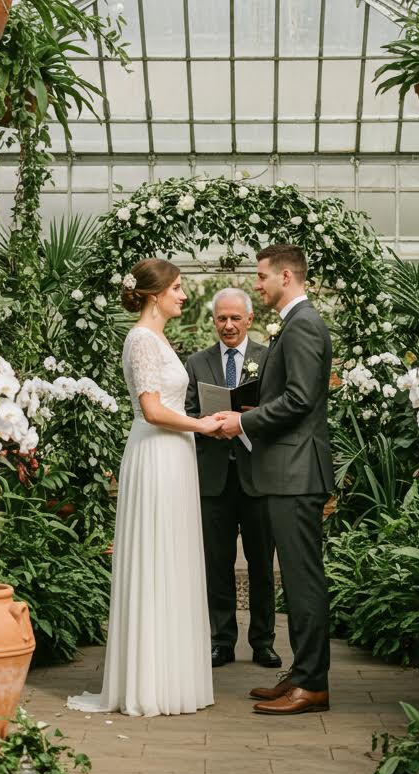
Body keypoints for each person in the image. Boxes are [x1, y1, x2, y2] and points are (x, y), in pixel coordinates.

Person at [67, 258, 223, 717]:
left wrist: (197, 427)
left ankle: (172, 678)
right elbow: (152, 410)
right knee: (155, 555)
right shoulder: (140, 340)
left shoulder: (157, 338)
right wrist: (202, 425)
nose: (183, 295)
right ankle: (147, 683)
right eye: (177, 288)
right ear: (154, 294)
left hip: (174, 455)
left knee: (172, 558)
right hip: (156, 453)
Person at [214, 244, 333, 716]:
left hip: (296, 472)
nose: (256, 284)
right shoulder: (297, 323)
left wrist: (243, 423)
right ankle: (303, 674)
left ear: (286, 276)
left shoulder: (303, 325)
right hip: (289, 471)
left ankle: (313, 684)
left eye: (261, 276)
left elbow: (301, 399)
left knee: (303, 581)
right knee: (300, 580)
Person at [185, 288, 281, 670]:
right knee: (217, 563)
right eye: (221, 319)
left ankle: (263, 642)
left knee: (262, 564)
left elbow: (278, 409)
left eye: (235, 318)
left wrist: (248, 419)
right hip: (214, 479)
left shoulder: (269, 358)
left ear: (249, 319)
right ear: (214, 321)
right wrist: (212, 426)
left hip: (257, 476)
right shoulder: (196, 362)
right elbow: (189, 413)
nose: (228, 325)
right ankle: (222, 640)